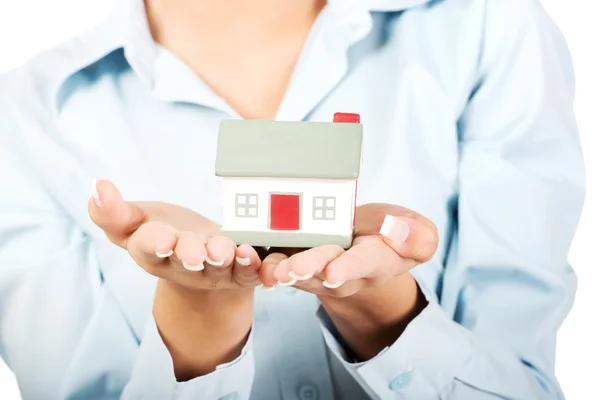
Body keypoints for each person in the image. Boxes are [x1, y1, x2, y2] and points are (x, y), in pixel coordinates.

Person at [0, 0, 585, 399]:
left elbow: (526, 386)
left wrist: (385, 315)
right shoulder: (28, 112)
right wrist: (198, 322)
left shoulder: (485, 25)